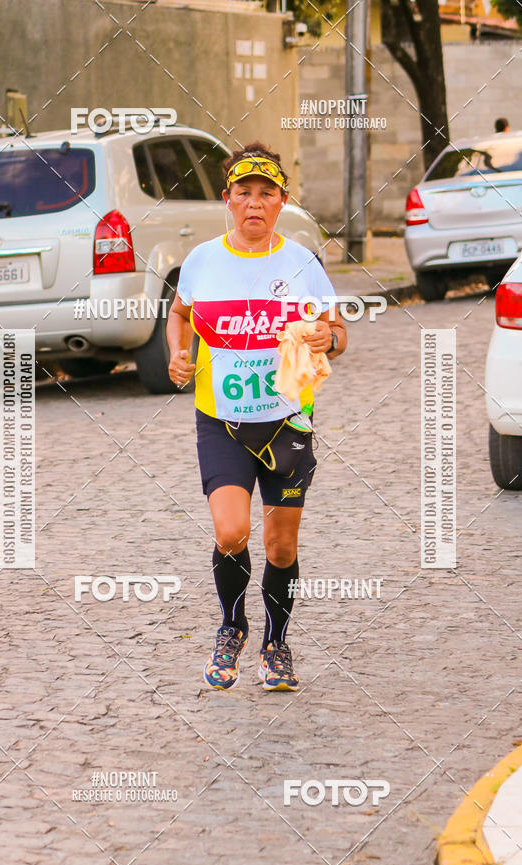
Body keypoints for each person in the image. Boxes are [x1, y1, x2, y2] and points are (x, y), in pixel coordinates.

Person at [166, 141, 347, 692]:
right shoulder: (201, 261)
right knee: (230, 532)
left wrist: (327, 337)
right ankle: (231, 626)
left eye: (266, 194)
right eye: (243, 193)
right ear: (227, 199)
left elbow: (338, 335)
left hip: (288, 421)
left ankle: (277, 641)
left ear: (282, 202)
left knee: (281, 547)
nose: (254, 203)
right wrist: (177, 352)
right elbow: (179, 314)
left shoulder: (303, 264)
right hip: (220, 420)